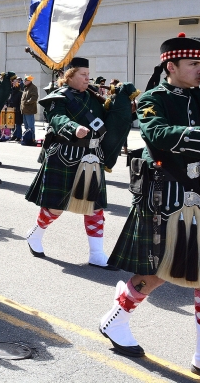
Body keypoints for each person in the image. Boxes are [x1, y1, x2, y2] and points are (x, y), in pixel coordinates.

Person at [99, 33, 200, 382]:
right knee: (159, 273)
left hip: (199, 193)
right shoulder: (153, 97)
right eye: (194, 64)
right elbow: (158, 134)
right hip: (165, 194)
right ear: (172, 65)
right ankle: (117, 316)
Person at [25, 57, 121, 269]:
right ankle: (36, 234)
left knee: (94, 207)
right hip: (65, 155)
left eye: (88, 74)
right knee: (55, 207)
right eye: (83, 75)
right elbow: (57, 118)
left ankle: (97, 253)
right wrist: (73, 128)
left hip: (92, 156)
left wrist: (123, 103)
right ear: (69, 76)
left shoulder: (95, 96)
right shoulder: (58, 97)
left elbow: (109, 119)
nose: (88, 78)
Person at [21, 75, 39, 144]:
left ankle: (32, 139)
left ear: (29, 81)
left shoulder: (33, 88)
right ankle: (27, 138)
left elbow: (34, 97)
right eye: (24, 80)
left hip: (29, 110)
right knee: (26, 126)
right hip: (25, 110)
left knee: (30, 126)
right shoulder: (26, 88)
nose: (24, 82)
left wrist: (27, 102)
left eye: (26, 80)